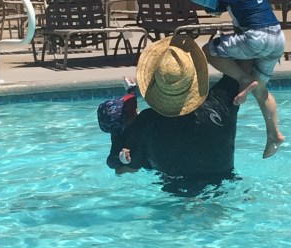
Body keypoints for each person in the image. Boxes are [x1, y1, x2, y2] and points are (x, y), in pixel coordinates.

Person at [99, 34, 240, 196]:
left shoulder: (146, 122)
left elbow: (125, 169)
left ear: (154, 82)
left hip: (177, 195)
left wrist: (117, 137)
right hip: (226, 189)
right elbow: (247, 60)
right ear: (194, 74)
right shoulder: (221, 100)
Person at [202, 0, 285, 159]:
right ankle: (274, 134)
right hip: (277, 36)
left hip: (255, 37)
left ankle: (243, 79)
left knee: (208, 50)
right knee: (262, 89)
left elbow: (211, 3)